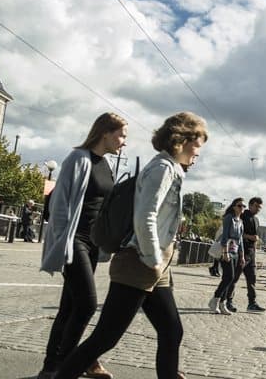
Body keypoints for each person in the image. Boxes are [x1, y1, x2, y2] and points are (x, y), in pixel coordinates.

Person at [54, 111, 207, 379]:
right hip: (139, 263)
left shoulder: (171, 169)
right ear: (181, 140)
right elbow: (145, 215)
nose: (198, 153)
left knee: (172, 330)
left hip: (154, 267)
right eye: (197, 145)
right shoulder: (162, 169)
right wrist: (153, 258)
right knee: (105, 338)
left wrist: (159, 263)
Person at [37, 112, 128, 379]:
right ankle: (72, 364)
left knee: (69, 307)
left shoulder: (107, 164)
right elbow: (60, 204)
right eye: (121, 135)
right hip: (74, 240)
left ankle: (51, 367)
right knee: (87, 304)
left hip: (93, 243)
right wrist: (62, 243)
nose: (124, 142)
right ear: (105, 133)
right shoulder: (79, 158)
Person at [208, 198, 246, 315]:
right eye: (239, 205)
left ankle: (222, 303)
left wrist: (242, 256)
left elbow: (240, 240)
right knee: (229, 277)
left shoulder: (240, 221)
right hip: (226, 251)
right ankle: (215, 300)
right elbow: (224, 236)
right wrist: (225, 253)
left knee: (231, 278)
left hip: (235, 252)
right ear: (234, 206)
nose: (242, 208)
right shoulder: (229, 218)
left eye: (243, 206)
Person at [228, 197, 266, 312]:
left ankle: (252, 303)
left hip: (251, 253)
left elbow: (254, 237)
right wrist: (250, 237)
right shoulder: (243, 216)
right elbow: (237, 233)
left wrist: (255, 250)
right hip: (241, 252)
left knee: (252, 279)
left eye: (260, 207)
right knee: (234, 278)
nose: (258, 209)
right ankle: (228, 301)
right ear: (250, 205)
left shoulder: (256, 220)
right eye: (256, 206)